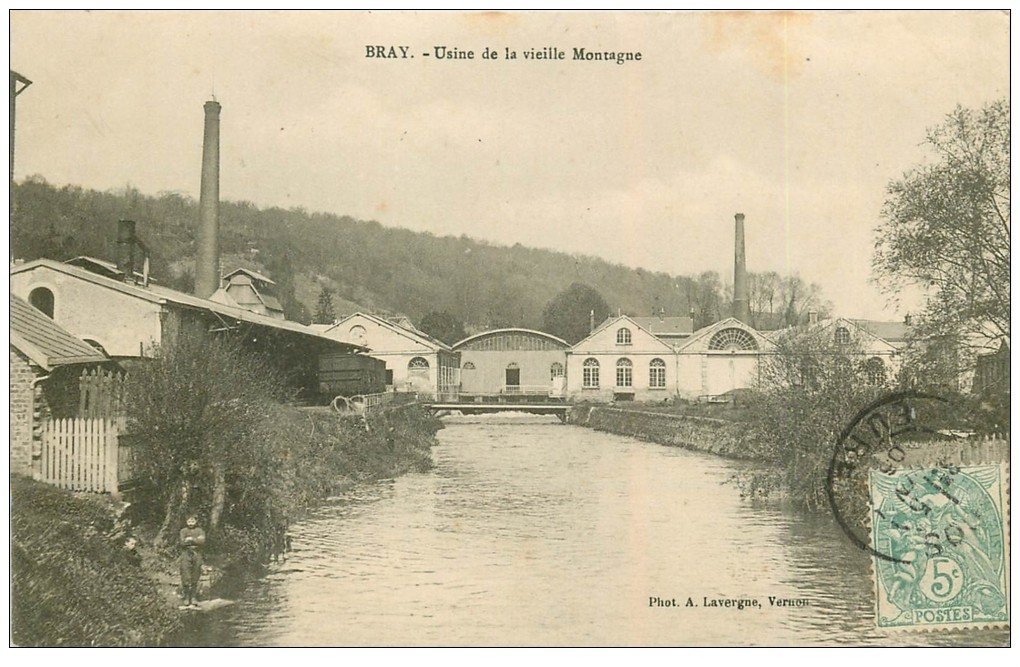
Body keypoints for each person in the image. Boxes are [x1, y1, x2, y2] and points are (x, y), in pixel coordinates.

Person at [178, 515, 206, 610]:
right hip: (186, 553)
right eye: (189, 521)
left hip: (197, 554)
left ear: (196, 521)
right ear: (186, 521)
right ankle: (186, 597)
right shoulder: (183, 531)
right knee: (186, 575)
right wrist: (195, 540)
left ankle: (193, 597)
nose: (190, 522)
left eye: (192, 520)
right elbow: (182, 543)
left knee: (195, 575)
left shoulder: (200, 530)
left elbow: (202, 542)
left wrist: (191, 539)